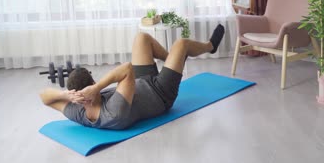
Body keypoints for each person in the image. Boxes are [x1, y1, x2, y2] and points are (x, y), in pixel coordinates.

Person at [39, 24, 225, 130]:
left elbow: (44, 98)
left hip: (140, 83)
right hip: (160, 94)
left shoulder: (77, 111)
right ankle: (209, 46)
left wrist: (65, 95)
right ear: (93, 84)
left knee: (142, 38)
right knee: (182, 43)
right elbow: (127, 69)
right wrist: (96, 89)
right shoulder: (113, 111)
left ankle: (174, 61)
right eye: (94, 85)